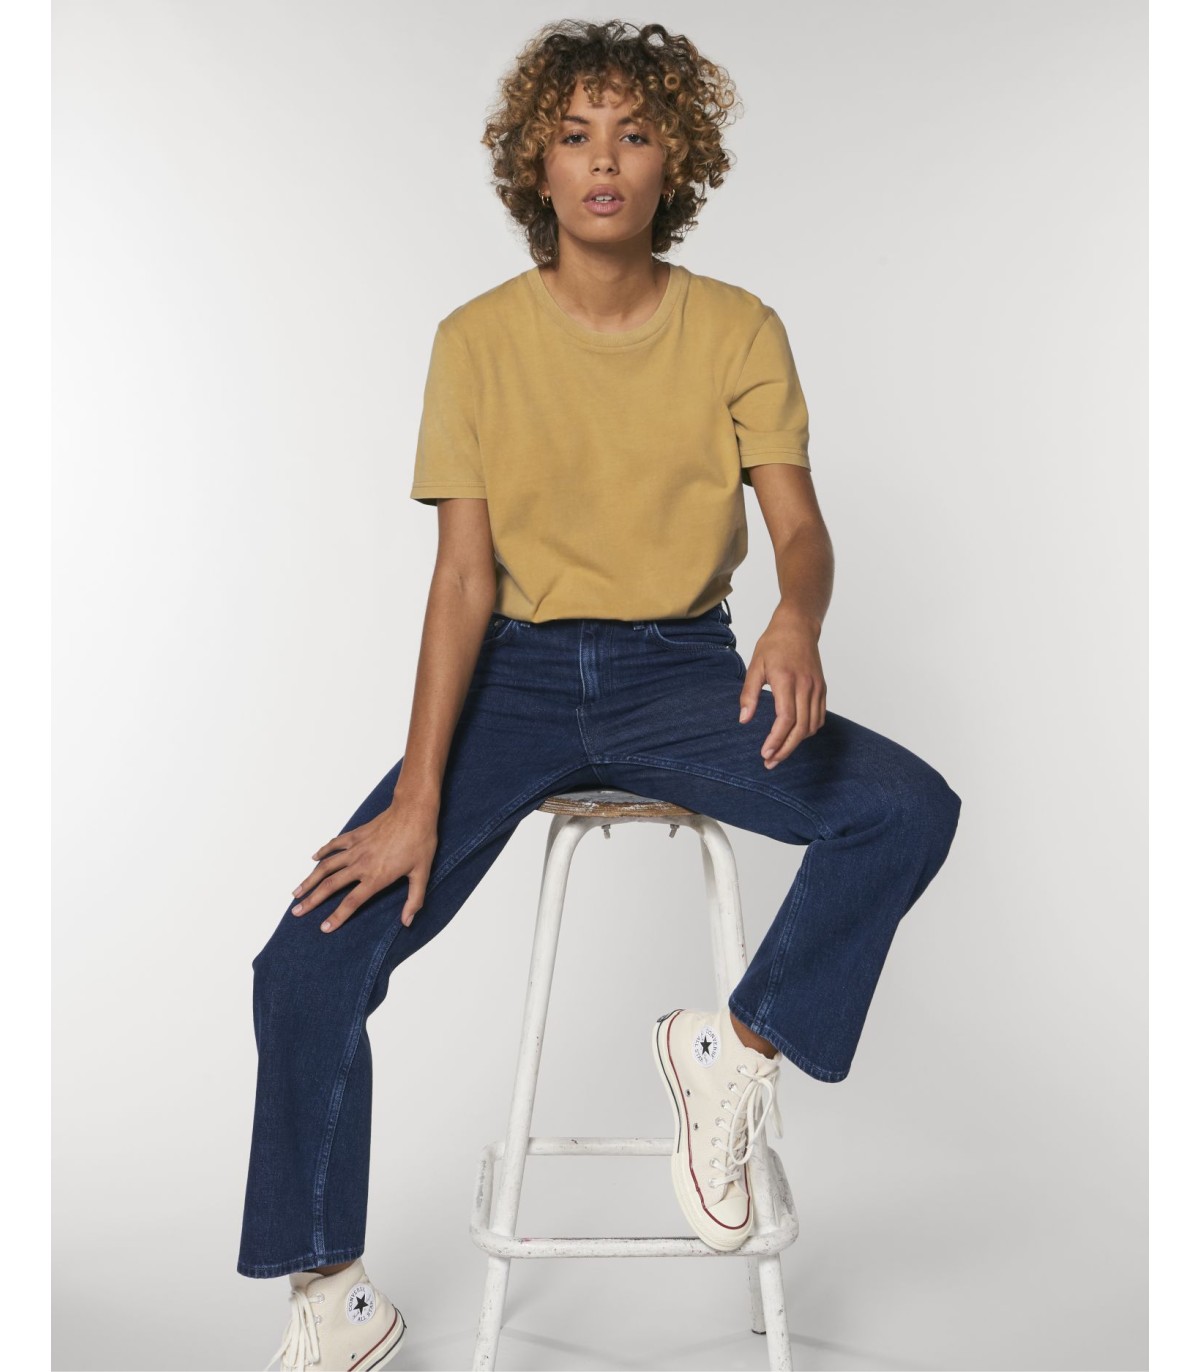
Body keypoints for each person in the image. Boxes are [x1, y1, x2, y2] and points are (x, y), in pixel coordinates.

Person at [239, 19, 963, 1371]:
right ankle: (332, 1292)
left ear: (675, 158)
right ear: (538, 165)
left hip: (681, 674)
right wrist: (418, 794)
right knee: (306, 961)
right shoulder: (474, 341)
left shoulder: (739, 328)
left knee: (907, 807)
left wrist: (797, 616)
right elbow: (462, 581)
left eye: (633, 134)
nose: (604, 161)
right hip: (510, 681)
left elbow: (800, 528)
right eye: (574, 136)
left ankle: (732, 1048)